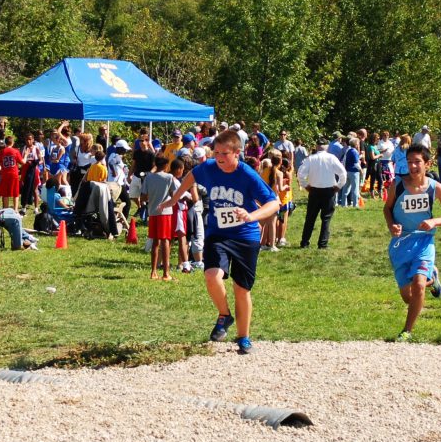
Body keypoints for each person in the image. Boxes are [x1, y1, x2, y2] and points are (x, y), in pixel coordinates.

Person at [158, 130, 280, 354]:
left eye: (225, 153)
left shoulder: (247, 175)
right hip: (219, 233)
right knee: (211, 275)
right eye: (216, 152)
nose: (219, 157)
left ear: (237, 153)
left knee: (241, 288)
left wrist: (252, 216)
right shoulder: (210, 167)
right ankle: (224, 314)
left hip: (245, 236)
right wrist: (173, 199)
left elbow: (273, 203)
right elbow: (192, 175)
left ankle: (243, 338)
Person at [384, 144, 441, 340]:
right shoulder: (398, 185)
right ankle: (432, 279)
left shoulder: (435, 187)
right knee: (408, 297)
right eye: (409, 162)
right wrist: (392, 226)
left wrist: (435, 221)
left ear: (427, 163)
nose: (413, 166)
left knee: (418, 286)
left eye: (417, 162)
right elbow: (387, 209)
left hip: (424, 241)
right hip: (401, 243)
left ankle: (406, 332)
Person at [298, 138, 346, 249]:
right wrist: (338, 186)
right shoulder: (331, 158)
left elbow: (301, 174)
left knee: (310, 218)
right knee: (326, 218)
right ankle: (322, 243)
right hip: (329, 191)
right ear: (327, 146)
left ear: (316, 146)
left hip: (314, 190)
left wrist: (305, 185)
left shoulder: (311, 159)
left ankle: (304, 242)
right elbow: (343, 173)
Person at [141, 156, 176, 281]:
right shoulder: (169, 177)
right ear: (166, 166)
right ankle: (166, 273)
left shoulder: (148, 177)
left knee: (155, 242)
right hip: (165, 212)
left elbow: (143, 196)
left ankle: (153, 271)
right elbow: (174, 194)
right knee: (165, 241)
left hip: (153, 212)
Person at [0, 136, 24, 211]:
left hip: (5, 174)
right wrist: (26, 155)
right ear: (12, 143)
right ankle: (16, 209)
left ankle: (6, 210)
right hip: (14, 174)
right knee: (15, 193)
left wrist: (1, 169)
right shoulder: (16, 151)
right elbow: (22, 162)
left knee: (5, 193)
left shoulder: (1, 152)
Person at [340, 137, 362, 207]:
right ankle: (355, 204)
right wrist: (361, 170)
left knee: (346, 188)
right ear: (356, 144)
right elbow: (356, 163)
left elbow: (345, 160)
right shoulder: (355, 151)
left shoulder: (348, 150)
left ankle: (343, 204)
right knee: (355, 188)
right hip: (354, 172)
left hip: (347, 171)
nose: (359, 145)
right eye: (358, 143)